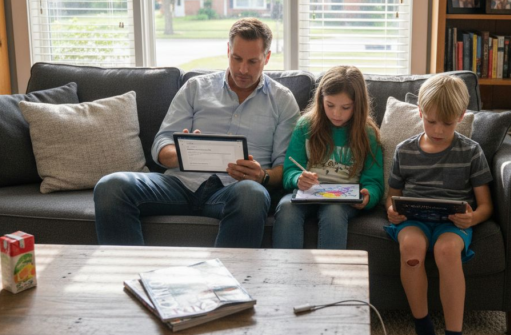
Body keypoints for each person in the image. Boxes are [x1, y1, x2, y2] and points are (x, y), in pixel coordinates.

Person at [93, 18, 300, 248]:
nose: (243, 69)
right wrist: (184, 153)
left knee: (253, 194)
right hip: (179, 185)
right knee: (111, 186)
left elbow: (286, 167)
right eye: (237, 58)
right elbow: (161, 145)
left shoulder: (282, 100)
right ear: (228, 50)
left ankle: (226, 282)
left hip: (235, 190)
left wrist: (262, 176)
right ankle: (129, 277)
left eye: (253, 61)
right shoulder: (196, 88)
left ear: (267, 58)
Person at [384, 74, 493, 335]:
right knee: (412, 249)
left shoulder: (470, 151)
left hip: (452, 225)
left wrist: (472, 217)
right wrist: (392, 211)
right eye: (432, 122)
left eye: (447, 124)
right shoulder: (405, 151)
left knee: (447, 252)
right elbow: (392, 197)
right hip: (414, 222)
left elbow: (485, 206)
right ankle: (424, 331)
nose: (439, 130)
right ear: (419, 112)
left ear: (461, 117)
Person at [272, 66, 383, 250]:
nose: (336, 114)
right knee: (286, 209)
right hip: (307, 194)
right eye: (330, 105)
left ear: (358, 105)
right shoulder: (305, 126)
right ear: (321, 99)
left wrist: (368, 195)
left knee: (333, 212)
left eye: (345, 107)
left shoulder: (368, 134)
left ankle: (331, 277)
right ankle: (286, 275)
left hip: (343, 200)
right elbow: (289, 171)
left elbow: (374, 181)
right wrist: (297, 179)